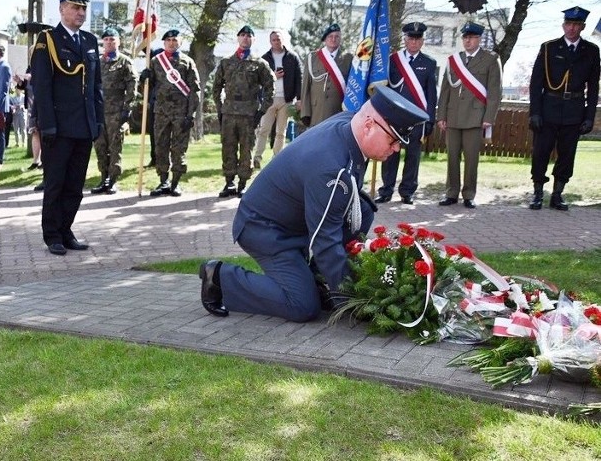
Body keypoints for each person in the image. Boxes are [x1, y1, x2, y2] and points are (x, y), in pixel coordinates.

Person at [199, 85, 429, 321]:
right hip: (265, 229)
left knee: (363, 211)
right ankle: (219, 277)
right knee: (303, 306)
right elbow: (325, 241)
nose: (396, 148)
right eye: (393, 139)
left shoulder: (350, 124)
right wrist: (352, 299)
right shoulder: (330, 169)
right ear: (369, 125)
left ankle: (318, 279)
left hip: (293, 219)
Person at [31, 0, 103, 255]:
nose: (81, 13)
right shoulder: (48, 40)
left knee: (75, 185)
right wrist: (46, 123)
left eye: (84, 8)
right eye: (75, 7)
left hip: (83, 125)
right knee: (56, 183)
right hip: (58, 127)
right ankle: (52, 234)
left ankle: (66, 229)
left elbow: (96, 86)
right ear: (62, 9)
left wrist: (97, 121)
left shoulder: (89, 41)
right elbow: (42, 86)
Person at [527, 6, 600, 211]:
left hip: (574, 110)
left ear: (582, 27)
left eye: (576, 25)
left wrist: (589, 116)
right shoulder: (549, 47)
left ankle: (558, 194)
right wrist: (535, 112)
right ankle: (538, 193)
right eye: (568, 24)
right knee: (541, 152)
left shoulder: (592, 51)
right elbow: (536, 83)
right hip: (548, 107)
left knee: (567, 155)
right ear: (563, 25)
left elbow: (593, 87)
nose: (571, 28)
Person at [436, 22, 502, 209]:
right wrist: (441, 115)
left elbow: (494, 91)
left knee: (471, 158)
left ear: (479, 39)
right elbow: (445, 90)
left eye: (471, 37)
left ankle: (469, 194)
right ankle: (451, 193)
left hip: (475, 117)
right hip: (453, 116)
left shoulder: (490, 59)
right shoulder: (454, 60)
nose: (468, 40)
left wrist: (489, 117)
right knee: (452, 157)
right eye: (465, 37)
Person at [375, 22, 438, 205]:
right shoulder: (393, 60)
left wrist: (430, 121)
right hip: (394, 117)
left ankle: (407, 192)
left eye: (417, 39)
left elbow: (431, 95)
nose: (414, 42)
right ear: (405, 39)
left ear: (422, 42)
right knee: (390, 154)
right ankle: (386, 190)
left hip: (416, 119)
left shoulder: (429, 63)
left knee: (412, 156)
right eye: (411, 38)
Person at [212, 25, 275, 198]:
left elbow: (270, 87)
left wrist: (261, 111)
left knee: (247, 148)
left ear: (253, 40)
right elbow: (216, 87)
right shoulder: (226, 62)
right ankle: (229, 182)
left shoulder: (260, 64)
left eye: (249, 36)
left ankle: (242, 183)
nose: (245, 38)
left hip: (249, 114)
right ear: (237, 38)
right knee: (228, 148)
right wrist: (220, 108)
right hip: (229, 112)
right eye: (242, 35)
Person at [141, 29, 201, 197]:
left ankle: (175, 183)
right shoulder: (155, 61)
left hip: (181, 112)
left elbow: (195, 90)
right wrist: (144, 77)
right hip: (161, 112)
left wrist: (191, 115)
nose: (172, 42)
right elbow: (148, 86)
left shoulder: (187, 62)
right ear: (164, 42)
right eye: (168, 40)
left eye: (175, 40)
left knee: (178, 148)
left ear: (180, 42)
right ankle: (163, 181)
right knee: (160, 146)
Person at [91, 27, 138, 195]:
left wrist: (127, 109)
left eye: (113, 39)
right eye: (106, 40)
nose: (109, 42)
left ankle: (113, 180)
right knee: (100, 146)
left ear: (119, 42)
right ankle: (103, 177)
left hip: (116, 112)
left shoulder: (125, 62)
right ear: (103, 42)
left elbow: (132, 86)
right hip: (98, 112)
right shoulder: (96, 62)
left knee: (115, 146)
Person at [256, 29, 302, 168]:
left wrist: (299, 98)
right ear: (270, 42)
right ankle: (257, 158)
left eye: (278, 39)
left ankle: (277, 159)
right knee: (264, 129)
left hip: (286, 100)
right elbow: (258, 80)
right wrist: (274, 76)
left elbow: (299, 79)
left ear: (283, 40)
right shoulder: (264, 58)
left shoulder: (292, 57)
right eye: (274, 39)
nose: (276, 41)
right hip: (269, 99)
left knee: (281, 132)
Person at [300, 23, 353, 128]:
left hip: (337, 111)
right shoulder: (312, 58)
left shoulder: (348, 59)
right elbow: (305, 87)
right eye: (330, 36)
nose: (333, 39)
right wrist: (305, 113)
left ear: (340, 38)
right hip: (316, 111)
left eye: (337, 36)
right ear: (325, 39)